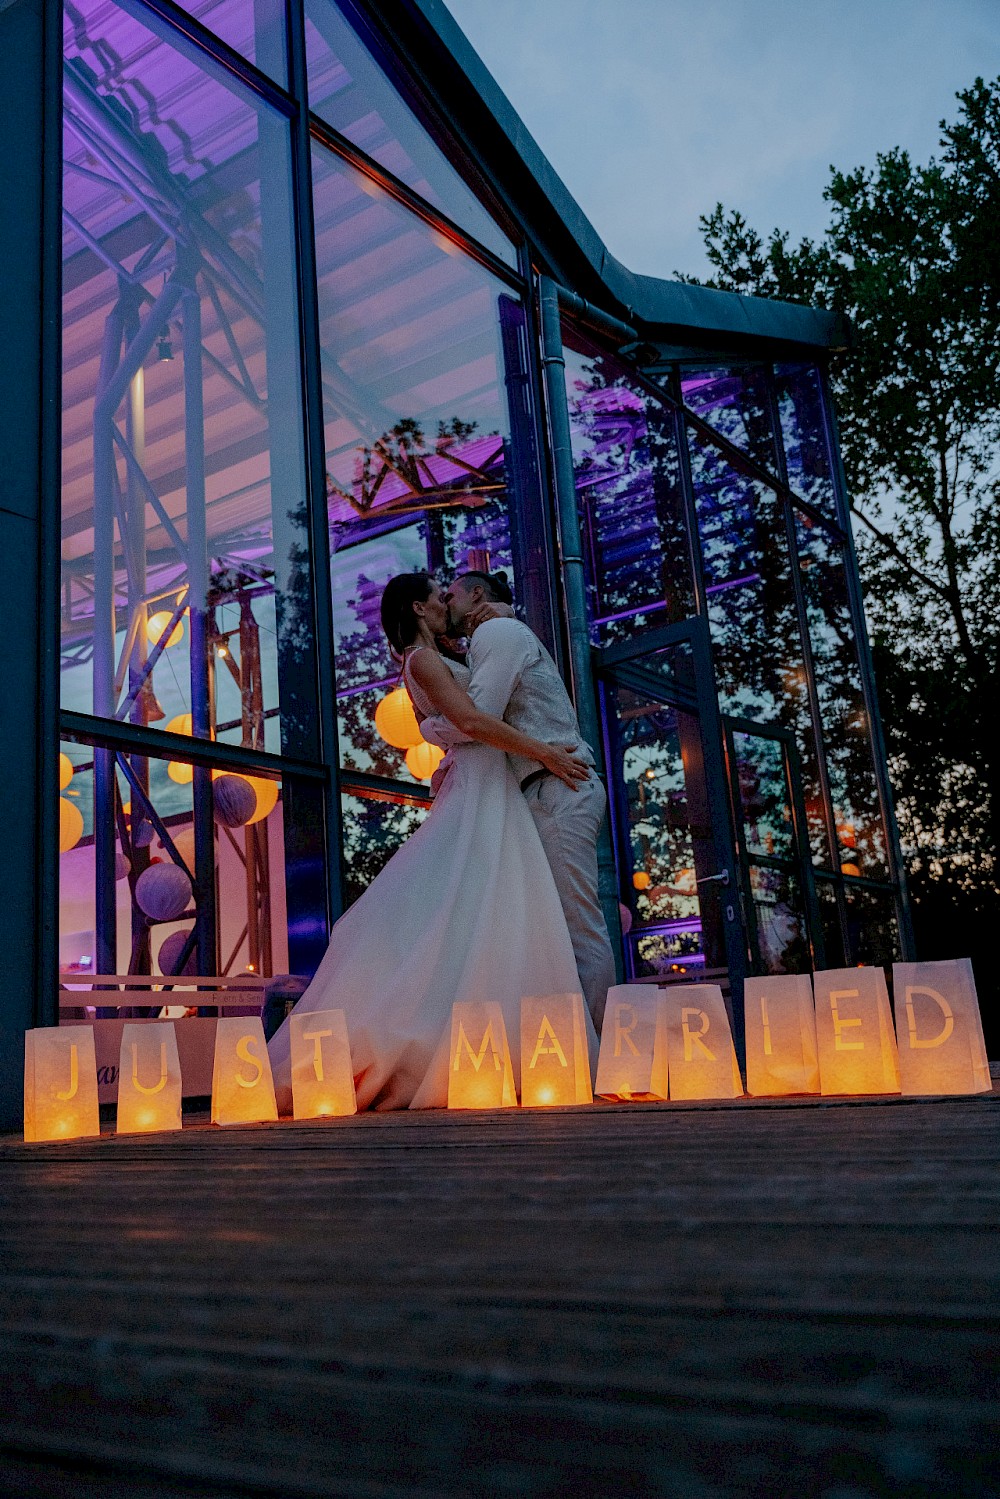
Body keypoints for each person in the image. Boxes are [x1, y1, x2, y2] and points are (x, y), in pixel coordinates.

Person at [267, 571, 598, 1112]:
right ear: (419, 609)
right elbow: (470, 716)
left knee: (487, 909)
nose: (447, 602)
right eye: (437, 596)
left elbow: (463, 717)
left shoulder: (438, 656)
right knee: (473, 900)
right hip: (484, 783)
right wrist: (543, 751)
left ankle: (500, 1043)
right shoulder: (421, 662)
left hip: (490, 783)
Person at [417, 570, 617, 1030]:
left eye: (451, 595)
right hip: (540, 790)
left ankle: (598, 1046)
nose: (444, 604)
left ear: (478, 596)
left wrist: (431, 729)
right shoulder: (493, 633)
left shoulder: (497, 630)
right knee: (552, 924)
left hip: (555, 785)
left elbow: (479, 715)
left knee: (576, 924)